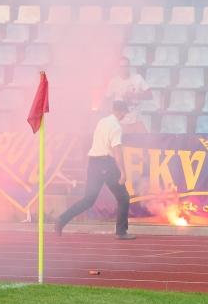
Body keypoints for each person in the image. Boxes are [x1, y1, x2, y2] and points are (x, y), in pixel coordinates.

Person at [55, 100, 135, 240]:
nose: (124, 115)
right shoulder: (116, 126)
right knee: (123, 197)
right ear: (120, 111)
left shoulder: (102, 121)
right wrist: (123, 172)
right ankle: (121, 232)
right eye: (124, 112)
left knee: (88, 199)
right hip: (106, 163)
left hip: (93, 162)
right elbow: (117, 150)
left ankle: (62, 219)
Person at [104, 57, 152, 133]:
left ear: (129, 67)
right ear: (118, 68)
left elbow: (150, 95)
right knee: (119, 143)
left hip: (136, 120)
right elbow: (106, 99)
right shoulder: (113, 81)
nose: (124, 69)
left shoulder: (137, 78)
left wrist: (134, 95)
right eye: (122, 66)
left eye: (126, 66)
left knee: (145, 141)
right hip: (120, 122)